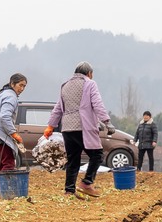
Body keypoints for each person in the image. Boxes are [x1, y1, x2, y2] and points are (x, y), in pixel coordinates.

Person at [44, 61, 115, 198]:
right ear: (89, 73)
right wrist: (107, 121)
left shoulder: (65, 85)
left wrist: (50, 126)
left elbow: (58, 108)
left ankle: (69, 191)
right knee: (97, 155)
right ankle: (87, 183)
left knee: (73, 159)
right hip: (82, 127)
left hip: (67, 129)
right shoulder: (89, 83)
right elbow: (97, 104)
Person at [0, 73, 27, 184]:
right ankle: (7, 189)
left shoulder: (0, 94)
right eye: (20, 85)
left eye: (24, 86)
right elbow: (4, 116)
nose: (22, 89)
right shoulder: (11, 96)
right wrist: (13, 133)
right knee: (8, 162)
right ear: (12, 84)